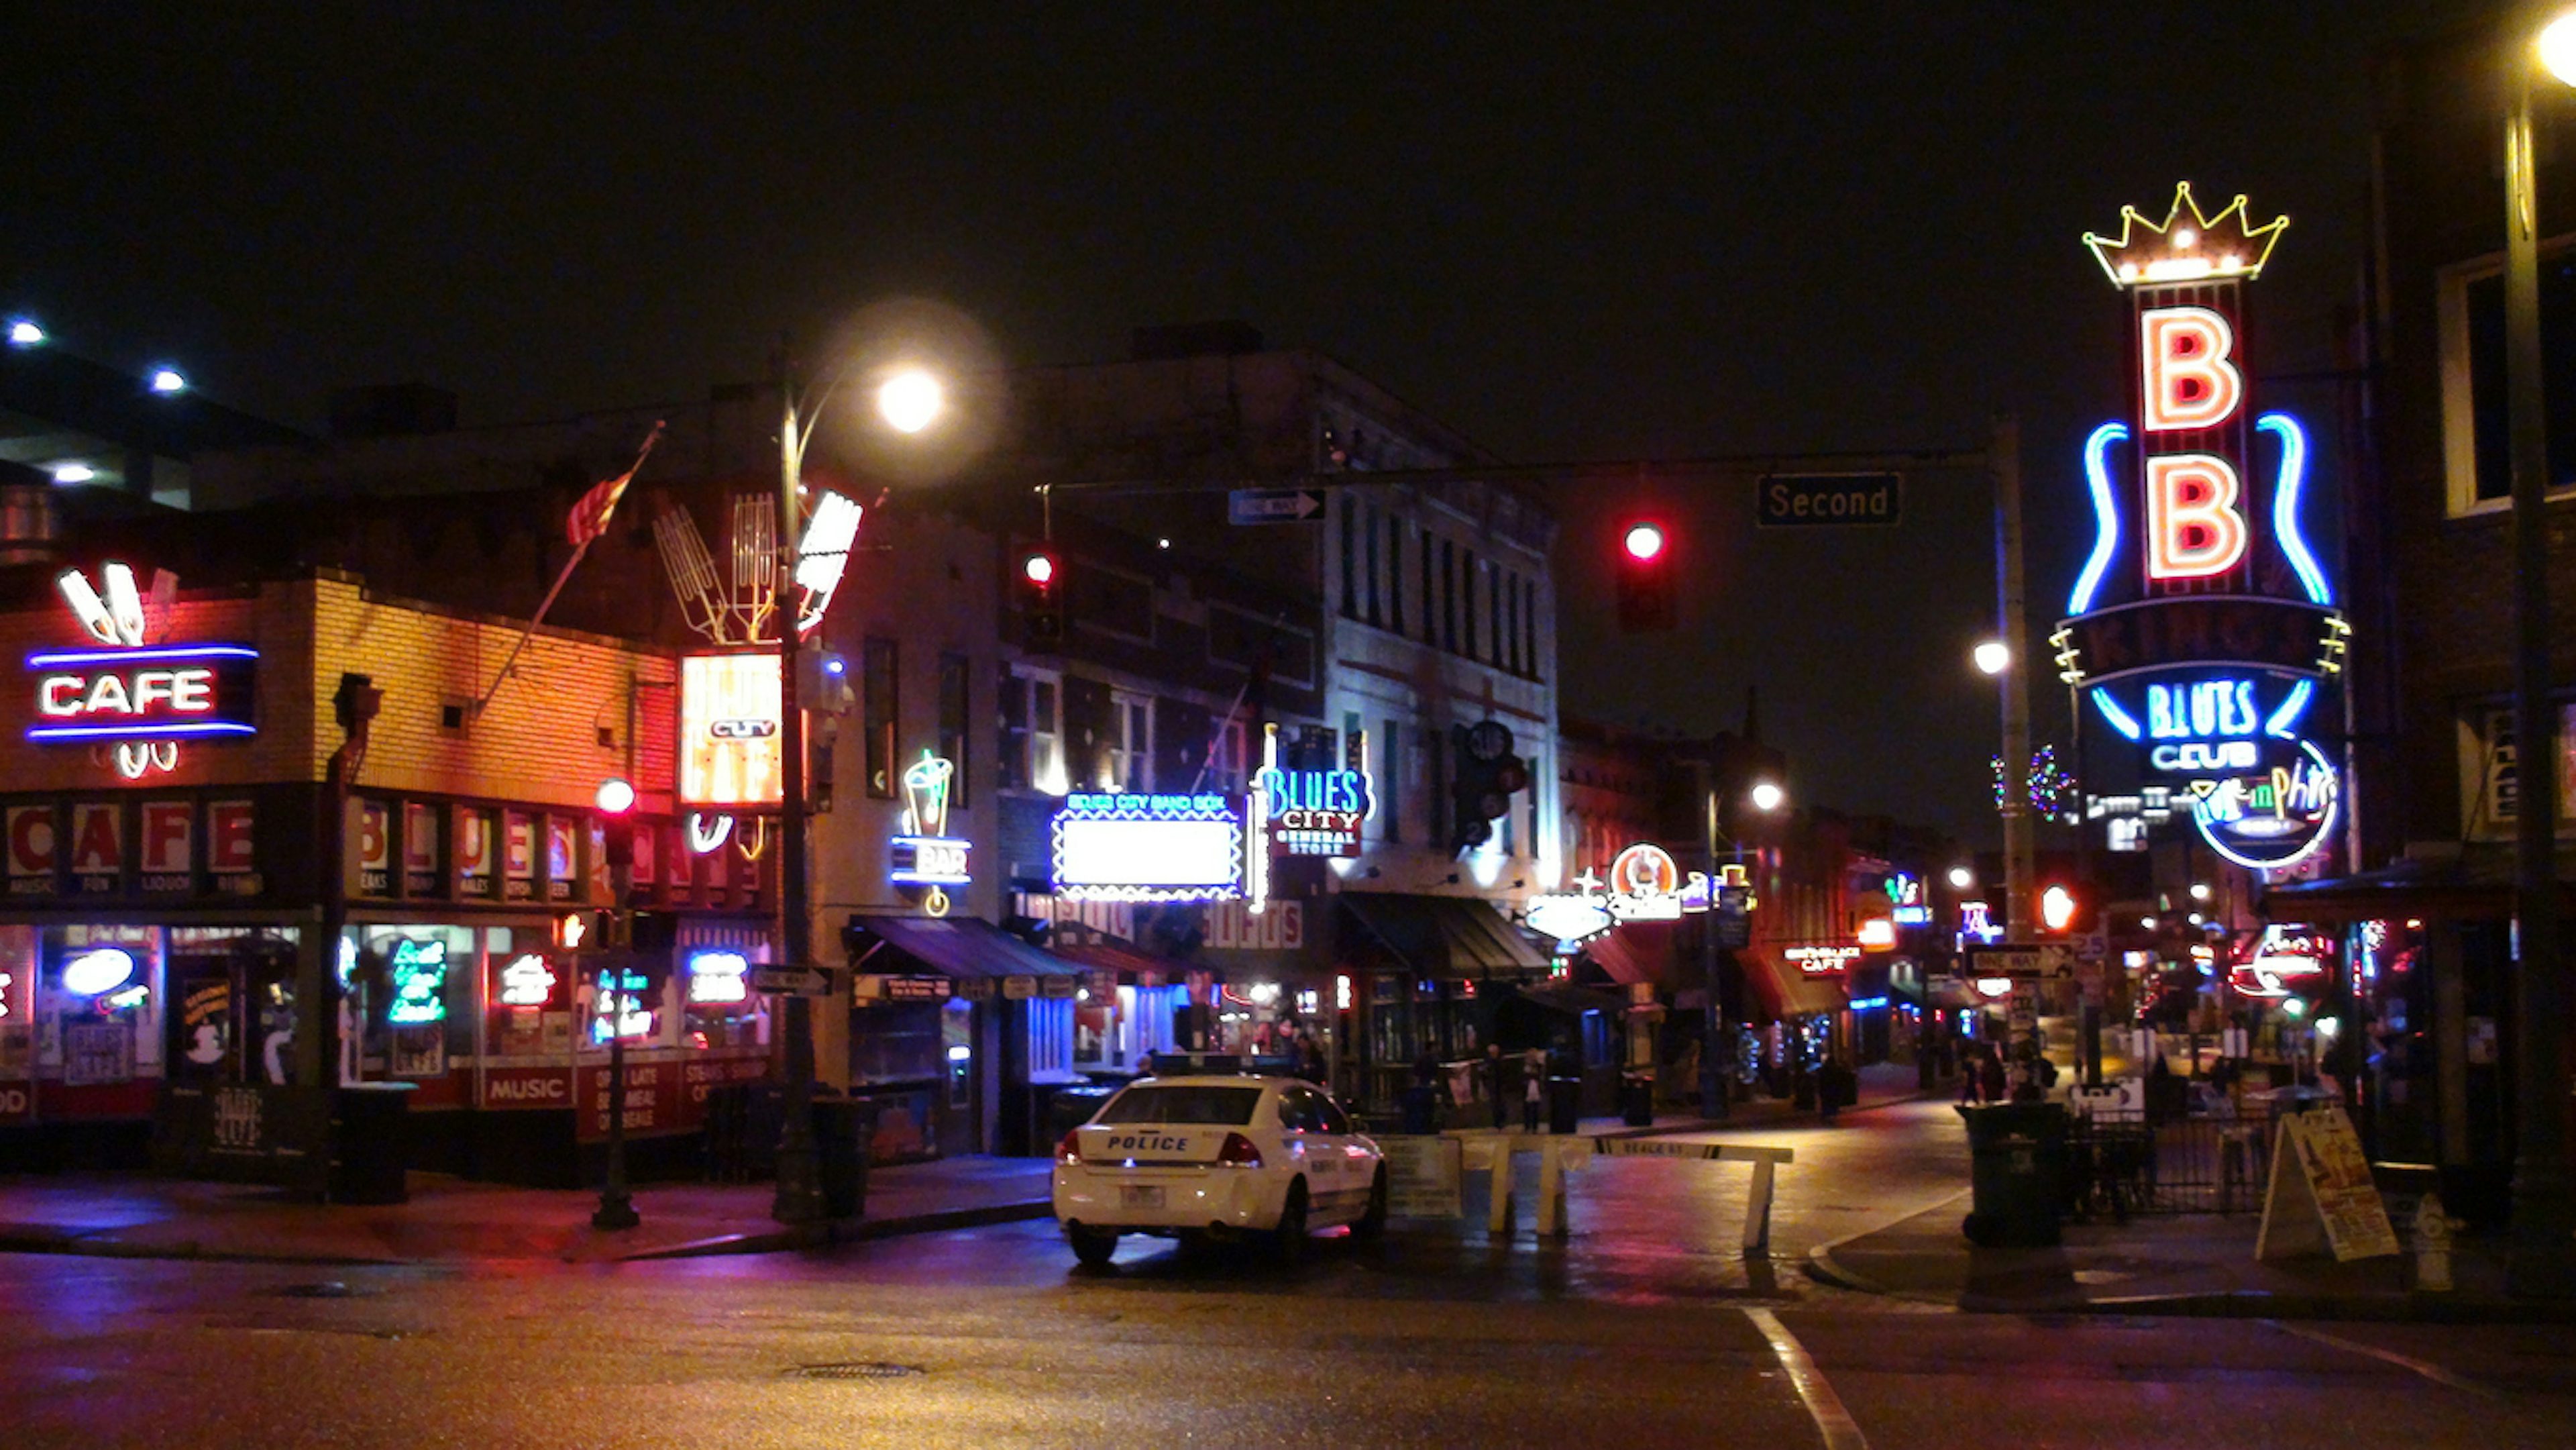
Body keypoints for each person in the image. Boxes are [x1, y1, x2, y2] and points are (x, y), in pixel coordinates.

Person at [1522, 1044, 1547, 1133]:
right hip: (1527, 1088)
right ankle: (1527, 1126)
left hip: (1536, 1088)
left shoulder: (1539, 1066)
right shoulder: (1525, 1066)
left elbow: (1541, 1075)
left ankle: (1534, 1127)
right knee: (1527, 1108)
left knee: (1535, 1108)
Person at [1484, 1043, 1508, 1130]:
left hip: (1500, 1084)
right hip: (1493, 1085)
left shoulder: (1501, 1060)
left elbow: (1504, 1072)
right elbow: (1486, 1073)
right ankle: (1497, 1122)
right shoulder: (1488, 1061)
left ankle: (1502, 1121)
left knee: (1502, 1103)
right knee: (1494, 1104)